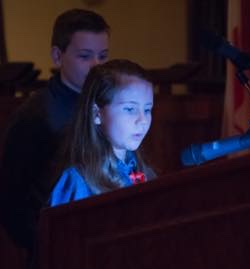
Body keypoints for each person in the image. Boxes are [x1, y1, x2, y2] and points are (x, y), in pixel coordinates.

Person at [0, 8, 110, 255]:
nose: (97, 66)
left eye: (103, 56)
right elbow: (10, 201)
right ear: (57, 56)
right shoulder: (36, 115)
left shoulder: (109, 104)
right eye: (85, 56)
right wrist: (47, 246)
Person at [49, 59, 156, 207]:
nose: (143, 120)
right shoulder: (77, 181)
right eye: (130, 109)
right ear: (97, 114)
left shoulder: (143, 172)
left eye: (147, 110)